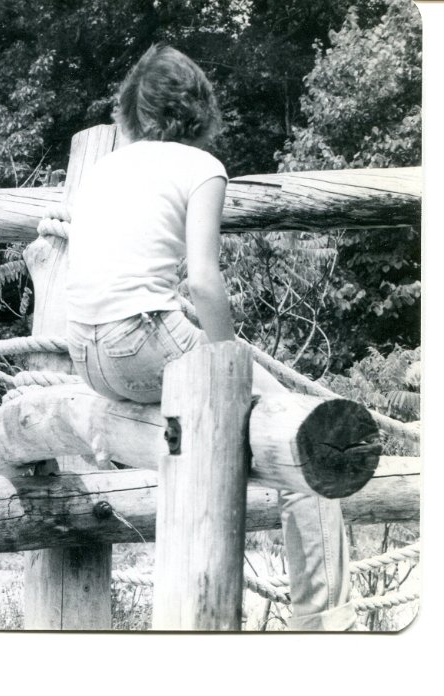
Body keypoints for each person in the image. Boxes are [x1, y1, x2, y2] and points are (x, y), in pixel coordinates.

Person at [64, 45, 355, 631]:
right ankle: (326, 625)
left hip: (85, 355)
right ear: (196, 108)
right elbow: (202, 279)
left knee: (203, 436)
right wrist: (228, 363)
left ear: (130, 111)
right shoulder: (201, 168)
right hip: (141, 339)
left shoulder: (101, 167)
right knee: (311, 434)